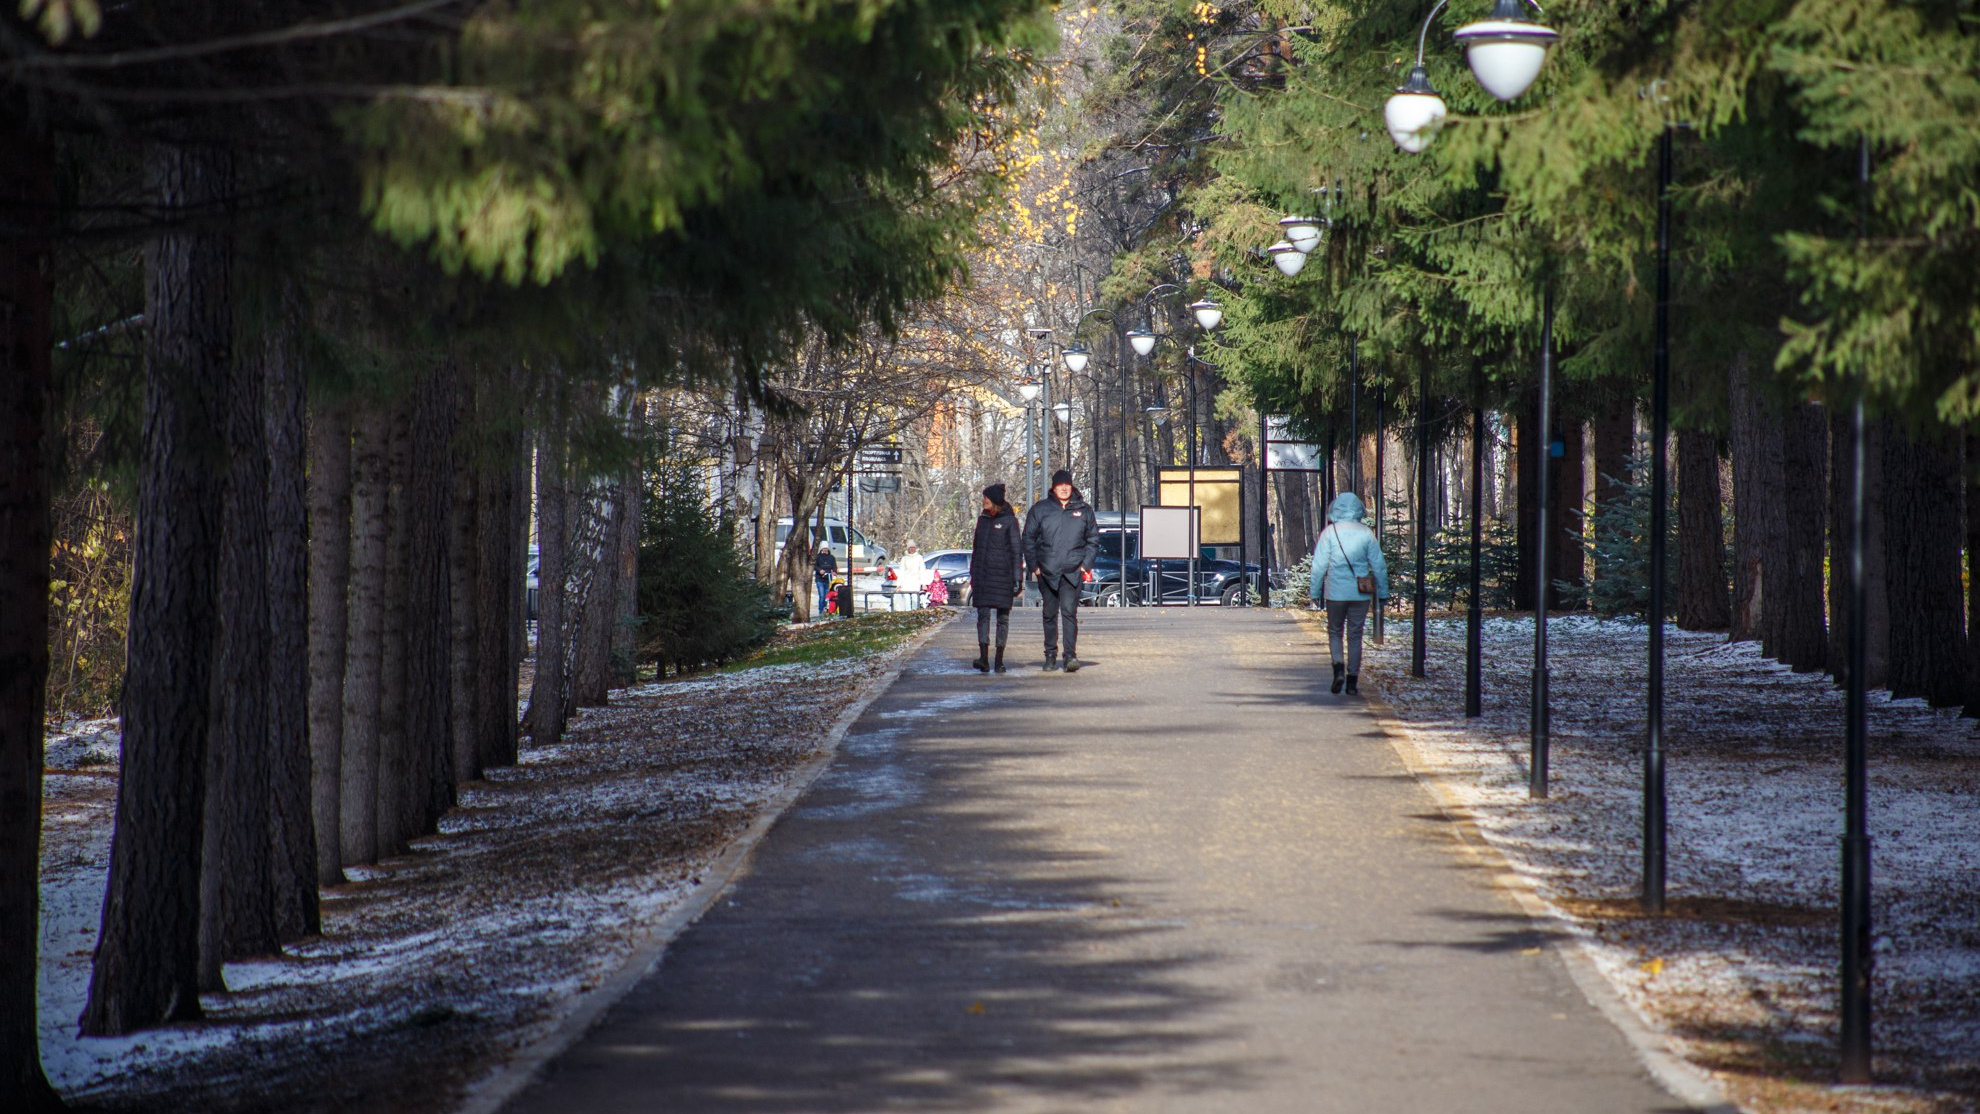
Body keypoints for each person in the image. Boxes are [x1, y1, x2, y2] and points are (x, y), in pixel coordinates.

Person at [1308, 491, 1390, 695]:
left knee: (1335, 632)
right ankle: (1353, 680)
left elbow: (1319, 566)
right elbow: (1379, 565)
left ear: (1335, 509)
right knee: (1355, 635)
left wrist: (1315, 592)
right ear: (1359, 509)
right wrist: (1382, 593)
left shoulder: (1329, 532)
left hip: (1335, 592)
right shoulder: (1366, 533)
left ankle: (1338, 670)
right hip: (1361, 593)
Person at [1022, 469, 1097, 672]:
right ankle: (1050, 655)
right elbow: (1028, 538)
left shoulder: (1084, 510)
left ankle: (1070, 656)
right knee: (1049, 614)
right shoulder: (1040, 510)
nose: (1064, 488)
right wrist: (1035, 567)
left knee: (1069, 613)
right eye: (1059, 485)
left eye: (1067, 485)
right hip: (1047, 571)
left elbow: (1093, 540)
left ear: (1071, 486)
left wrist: (1084, 566)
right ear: (1053, 488)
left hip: (1072, 572)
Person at [969, 484, 1024, 672]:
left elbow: (1017, 552)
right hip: (983, 577)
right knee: (982, 616)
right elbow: (976, 550)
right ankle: (983, 658)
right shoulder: (982, 521)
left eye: (987, 498)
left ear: (995, 501)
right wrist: (973, 574)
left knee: (1003, 618)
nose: (983, 501)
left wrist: (1018, 579)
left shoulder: (1010, 521)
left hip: (1003, 578)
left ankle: (999, 660)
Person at [894, 539, 929, 611]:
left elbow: (922, 571)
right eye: (910, 547)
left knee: (915, 599)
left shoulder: (919, 558)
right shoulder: (904, 558)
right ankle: (908, 614)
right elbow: (901, 572)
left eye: (913, 547)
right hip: (906, 583)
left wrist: (923, 583)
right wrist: (898, 584)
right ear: (908, 548)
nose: (912, 549)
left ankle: (914, 614)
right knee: (906, 600)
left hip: (915, 582)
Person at [812, 540, 837, 618]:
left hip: (828, 579)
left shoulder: (831, 557)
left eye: (826, 548)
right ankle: (820, 611)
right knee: (822, 596)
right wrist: (820, 570)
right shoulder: (818, 557)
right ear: (821, 549)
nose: (825, 550)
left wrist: (834, 572)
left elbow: (834, 566)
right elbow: (814, 566)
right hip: (820, 579)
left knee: (827, 596)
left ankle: (826, 610)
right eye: (824, 548)